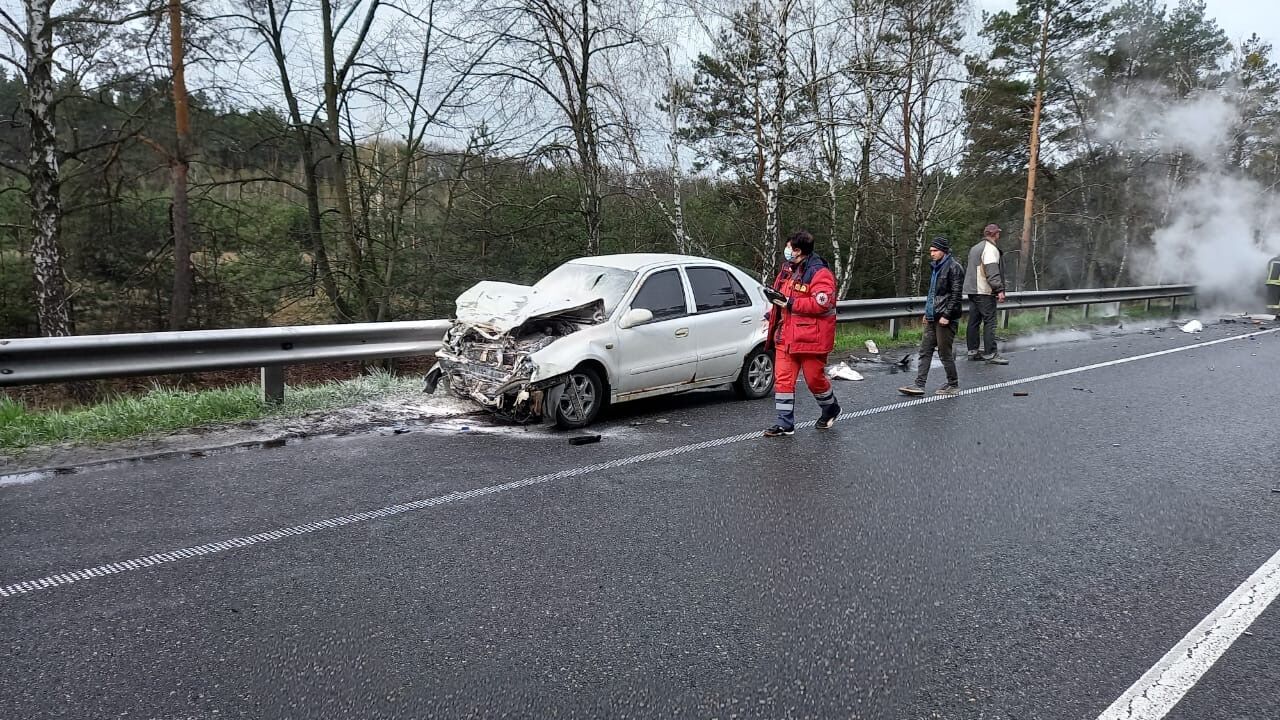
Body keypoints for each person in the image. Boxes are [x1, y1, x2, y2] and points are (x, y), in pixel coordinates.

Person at [763, 230, 841, 437]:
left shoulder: (820, 273)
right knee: (783, 380)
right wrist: (772, 313)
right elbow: (782, 299)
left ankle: (831, 408)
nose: (786, 251)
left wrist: (790, 303)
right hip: (786, 336)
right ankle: (784, 423)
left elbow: (822, 303)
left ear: (798, 251)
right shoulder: (787, 270)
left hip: (811, 339)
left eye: (789, 247)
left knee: (814, 380)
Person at [899, 237, 965, 397]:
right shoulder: (936, 267)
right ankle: (918, 384)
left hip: (945, 318)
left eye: (935, 251)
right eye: (931, 251)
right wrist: (927, 312)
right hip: (933, 315)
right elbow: (932, 293)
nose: (932, 254)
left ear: (943, 250)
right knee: (925, 350)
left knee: (944, 352)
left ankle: (953, 383)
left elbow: (956, 294)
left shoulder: (954, 268)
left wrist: (947, 315)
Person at [963, 223, 1009, 364]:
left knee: (973, 322)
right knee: (990, 322)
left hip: (972, 290)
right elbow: (992, 271)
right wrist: (999, 289)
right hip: (984, 291)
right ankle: (990, 354)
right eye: (998, 233)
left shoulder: (975, 248)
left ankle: (973, 351)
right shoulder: (990, 249)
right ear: (996, 234)